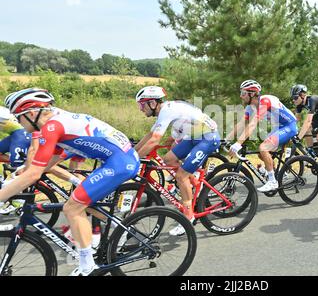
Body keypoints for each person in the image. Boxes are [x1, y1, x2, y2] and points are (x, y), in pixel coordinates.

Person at [0, 88, 140, 276]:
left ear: (31, 113)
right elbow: (48, 162)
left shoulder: (52, 126)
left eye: (19, 117)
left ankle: (87, 265)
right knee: (80, 202)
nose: (18, 123)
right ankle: (119, 228)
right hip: (116, 159)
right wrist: (23, 171)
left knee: (72, 207)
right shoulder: (54, 121)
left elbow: (35, 174)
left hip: (121, 162)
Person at [134, 86, 220, 236]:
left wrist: (134, 160)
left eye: (142, 105)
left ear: (153, 103)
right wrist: (132, 152)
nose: (141, 109)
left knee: (181, 176)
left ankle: (189, 217)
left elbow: (154, 140)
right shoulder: (164, 110)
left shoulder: (166, 110)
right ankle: (193, 185)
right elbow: (150, 135)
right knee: (168, 159)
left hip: (208, 137)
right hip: (194, 136)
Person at [226, 80, 298, 192]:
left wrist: (238, 143)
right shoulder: (250, 107)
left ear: (252, 93)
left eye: (243, 93)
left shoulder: (265, 100)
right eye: (241, 93)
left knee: (263, 148)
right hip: (278, 127)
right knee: (261, 154)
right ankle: (278, 174)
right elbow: (241, 124)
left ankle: (272, 181)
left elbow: (253, 123)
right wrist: (226, 139)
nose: (241, 96)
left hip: (289, 126)